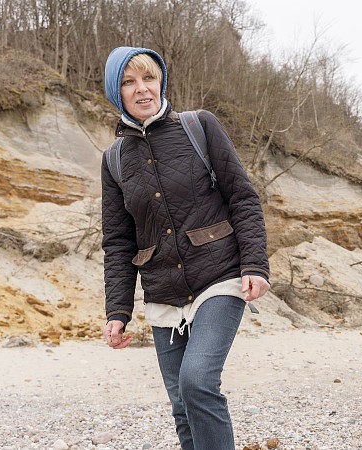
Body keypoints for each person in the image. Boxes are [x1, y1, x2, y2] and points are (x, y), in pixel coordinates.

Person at [100, 46, 271, 449]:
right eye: (129, 82)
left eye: (149, 78)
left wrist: (256, 265)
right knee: (181, 404)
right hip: (163, 292)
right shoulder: (113, 160)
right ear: (115, 91)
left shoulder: (200, 126)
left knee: (197, 382)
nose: (143, 89)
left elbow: (242, 197)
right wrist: (118, 311)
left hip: (220, 276)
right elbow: (118, 242)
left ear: (161, 82)